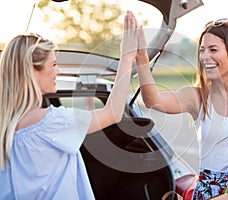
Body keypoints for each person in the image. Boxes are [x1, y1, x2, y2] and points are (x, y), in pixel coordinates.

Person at [0, 11, 139, 199]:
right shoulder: (52, 123)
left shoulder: (4, 128)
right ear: (32, 71)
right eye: (54, 64)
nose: (58, 71)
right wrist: (127, 56)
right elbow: (114, 112)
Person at [135, 18, 228, 199]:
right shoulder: (198, 97)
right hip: (208, 192)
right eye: (202, 50)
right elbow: (152, 101)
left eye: (213, 50)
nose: (204, 57)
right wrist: (141, 57)